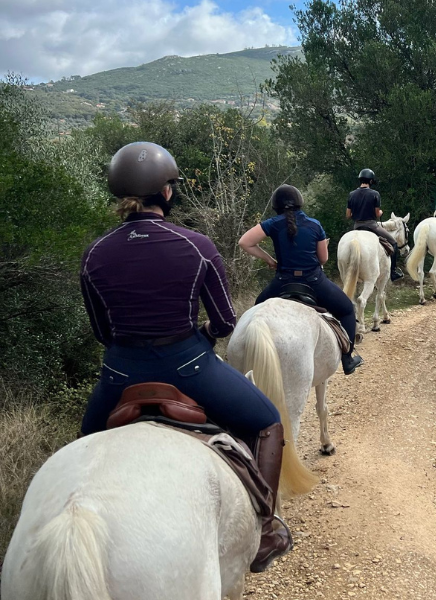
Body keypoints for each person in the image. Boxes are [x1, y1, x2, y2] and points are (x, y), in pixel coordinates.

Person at [79, 141, 290, 572]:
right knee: (268, 422)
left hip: (119, 373)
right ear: (168, 192)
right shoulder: (196, 245)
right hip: (190, 368)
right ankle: (266, 529)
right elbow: (226, 321)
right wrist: (200, 336)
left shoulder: (94, 254)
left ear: (119, 194)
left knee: (81, 452)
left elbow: (103, 333)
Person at [239, 184, 363, 375]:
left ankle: (246, 360)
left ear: (276, 206)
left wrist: (270, 260)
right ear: (299, 203)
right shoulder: (314, 225)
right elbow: (323, 259)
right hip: (314, 282)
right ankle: (347, 359)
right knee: (347, 310)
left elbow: (245, 242)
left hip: (282, 282)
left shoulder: (272, 223)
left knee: (257, 311)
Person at [346, 168, 404, 281]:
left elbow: (348, 215)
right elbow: (377, 214)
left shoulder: (352, 194)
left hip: (357, 226)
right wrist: (381, 212)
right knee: (393, 243)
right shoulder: (375, 194)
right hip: (371, 225)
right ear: (371, 181)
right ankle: (393, 272)